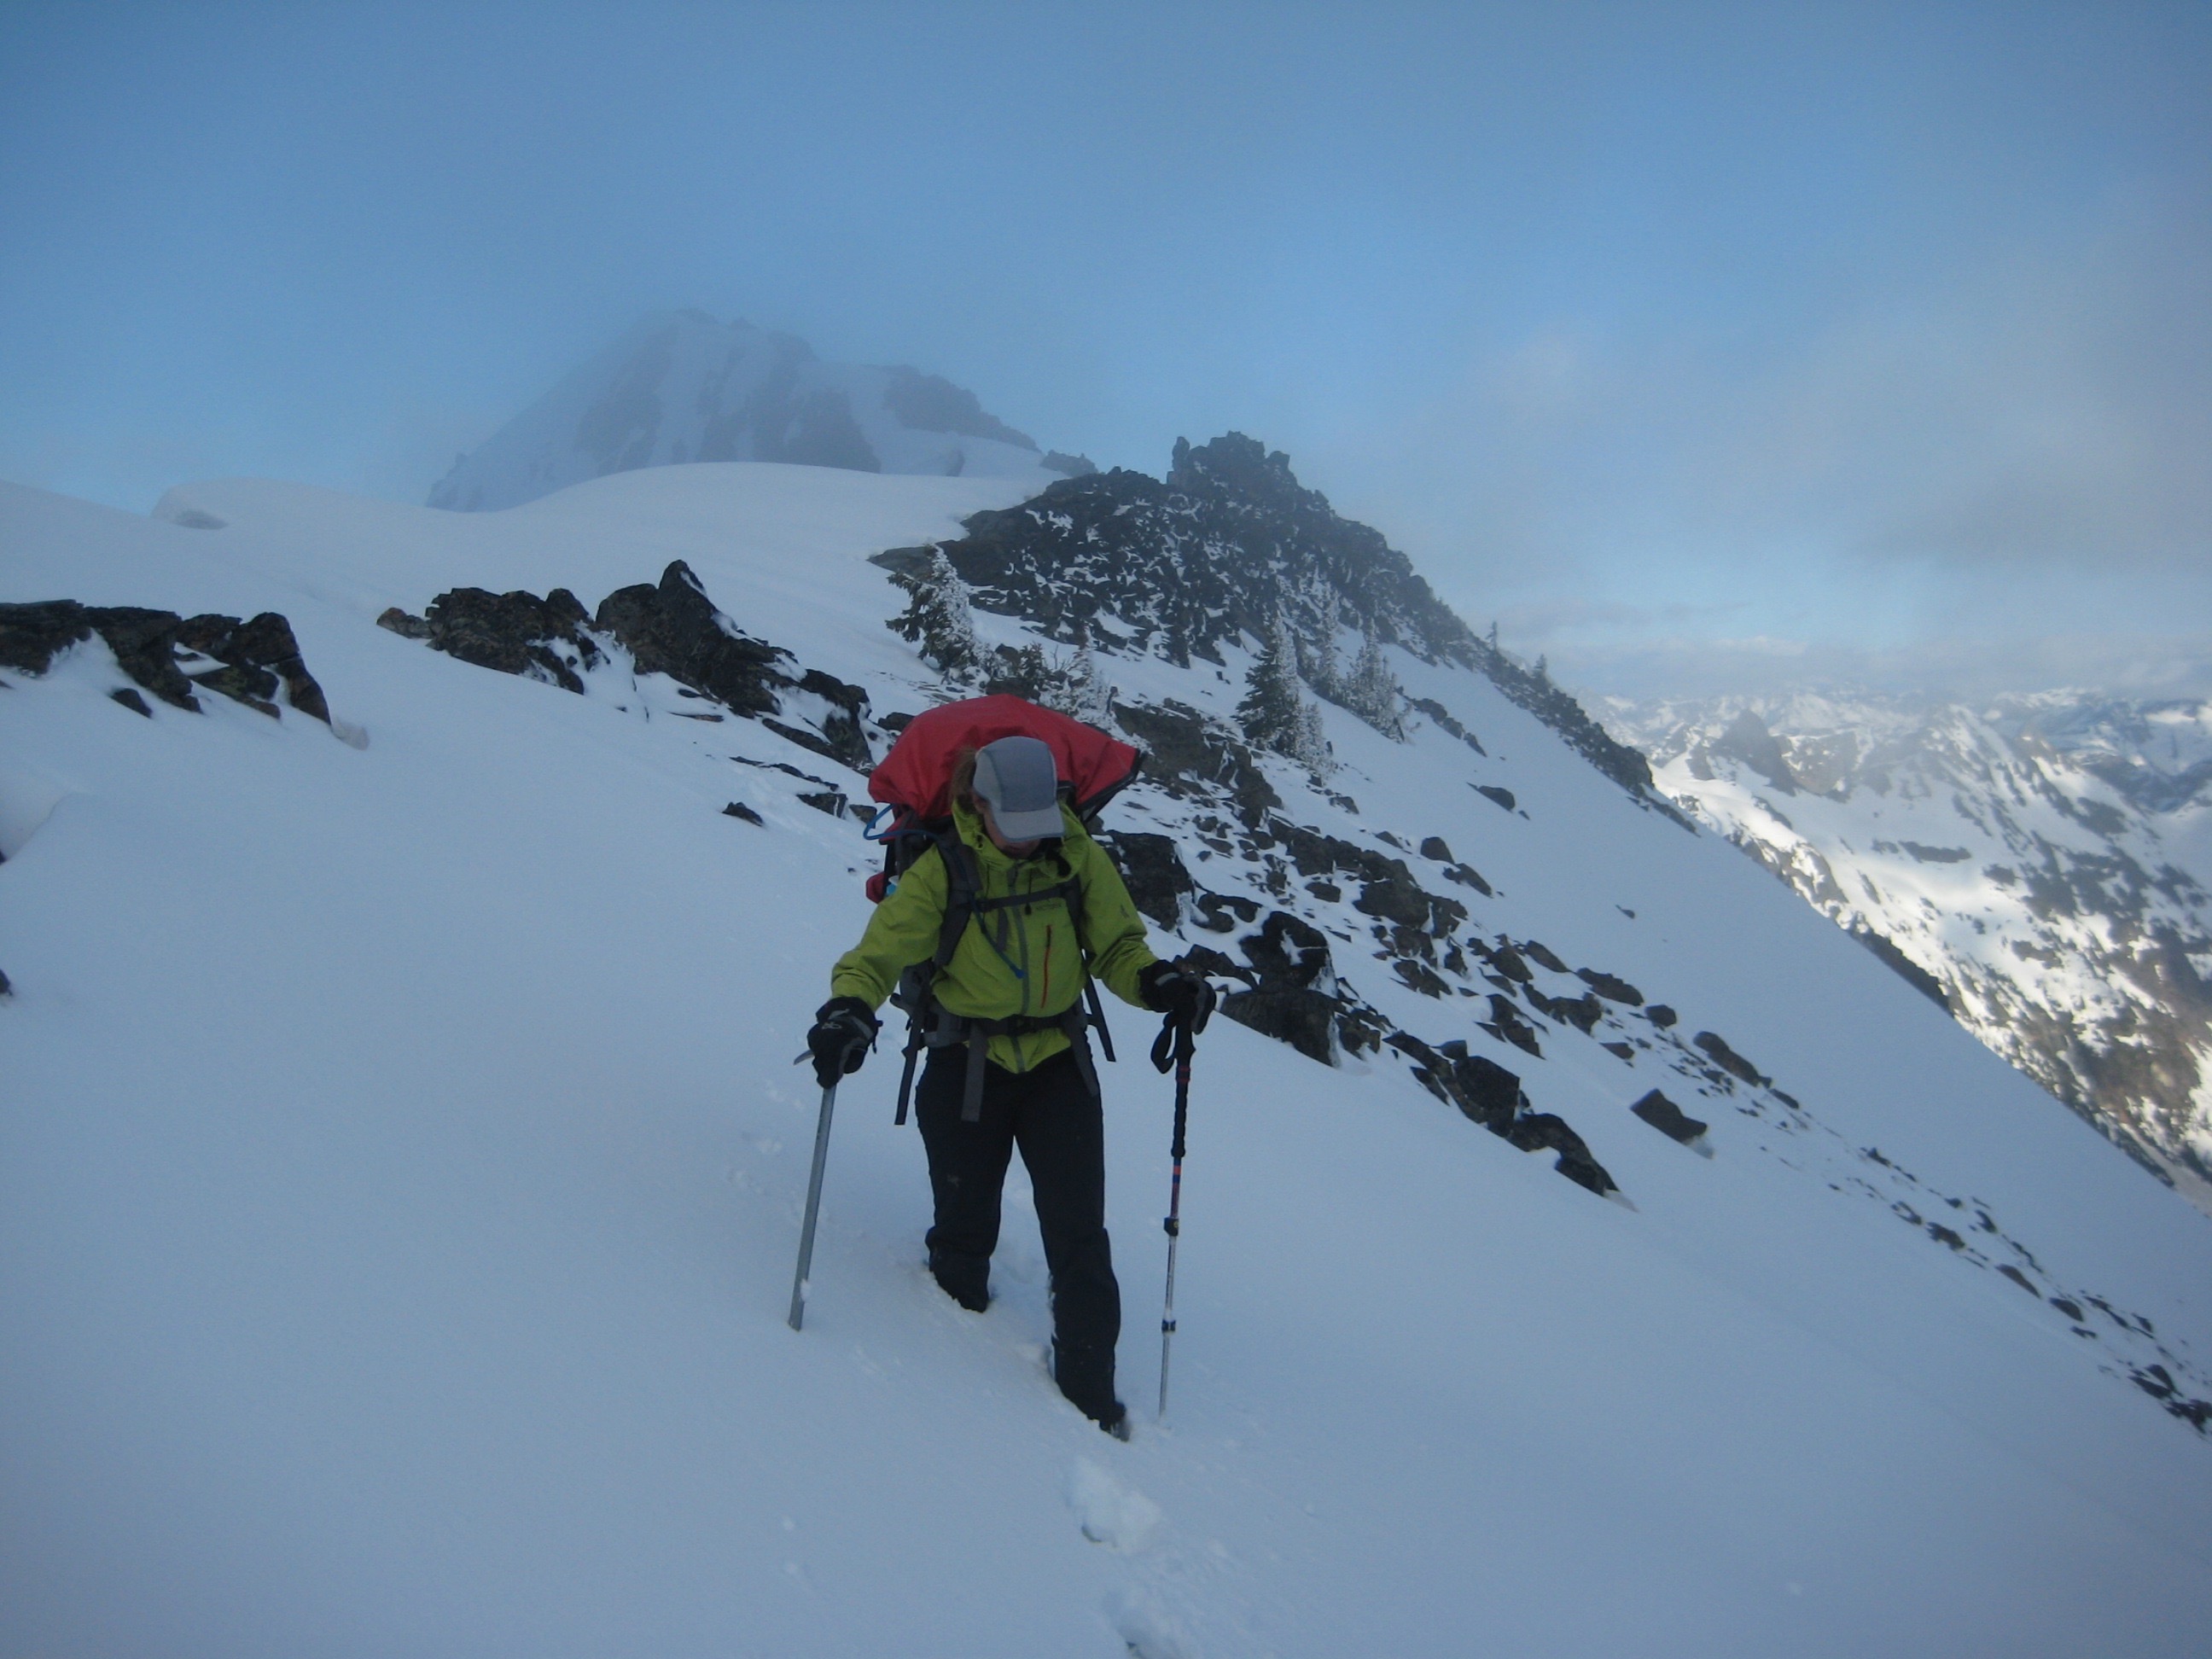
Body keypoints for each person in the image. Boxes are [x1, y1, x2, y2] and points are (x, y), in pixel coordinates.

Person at [806, 734, 1213, 1436]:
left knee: (1081, 1239)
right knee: (963, 1235)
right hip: (965, 1063)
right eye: (1011, 826)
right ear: (975, 801)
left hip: (1060, 1063)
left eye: (1039, 825)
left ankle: (1092, 1398)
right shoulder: (941, 871)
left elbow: (1117, 946)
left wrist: (1158, 983)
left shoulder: (1075, 852)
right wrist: (849, 1011)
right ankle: (958, 1378)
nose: (1027, 842)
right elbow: (877, 955)